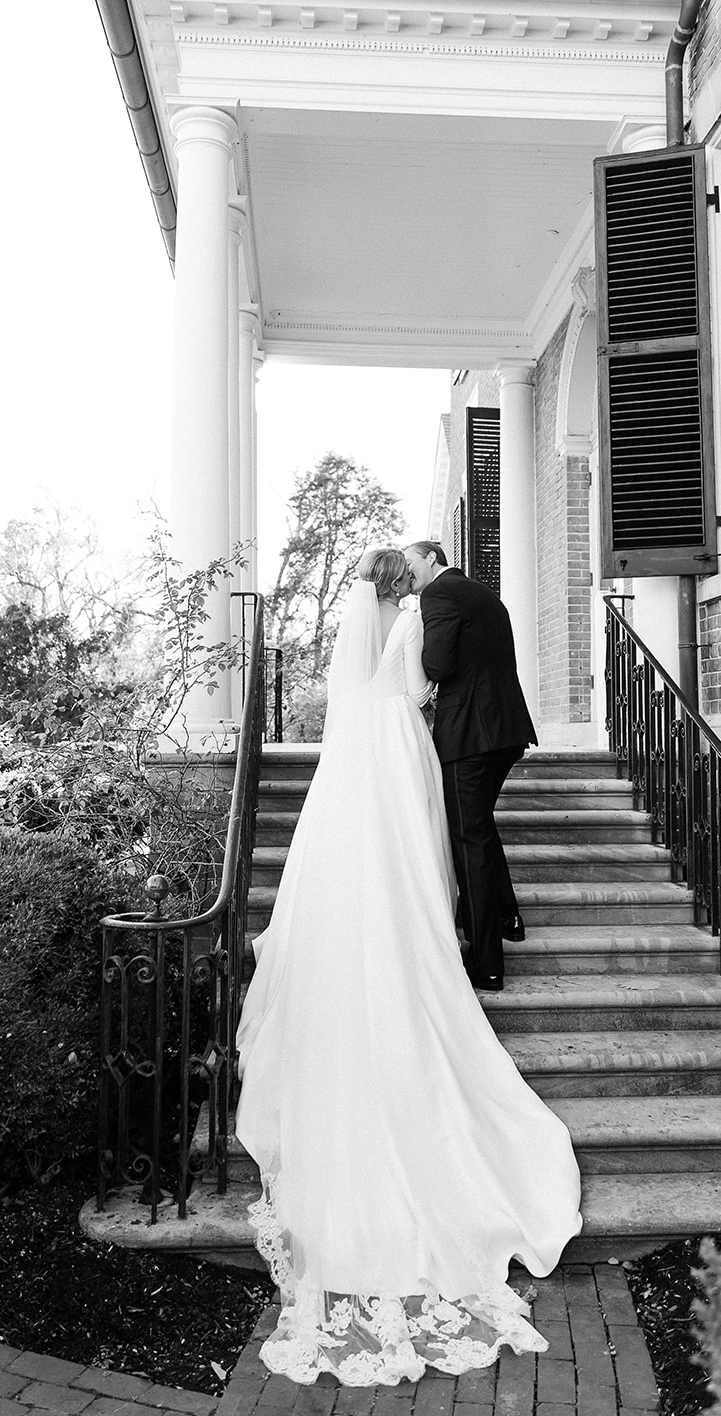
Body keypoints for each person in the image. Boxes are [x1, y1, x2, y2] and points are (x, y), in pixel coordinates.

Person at [235, 547, 582, 1387]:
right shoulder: (415, 617)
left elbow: (401, 684)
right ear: (403, 581)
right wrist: (421, 697)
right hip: (400, 744)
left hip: (364, 748)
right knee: (422, 845)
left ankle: (460, 922)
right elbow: (421, 684)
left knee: (377, 849)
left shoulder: (375, 632)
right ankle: (456, 926)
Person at [404, 542, 536, 992]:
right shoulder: (483, 593)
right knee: (478, 825)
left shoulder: (438, 596)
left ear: (432, 559)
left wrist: (411, 644)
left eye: (411, 562)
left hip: (470, 735)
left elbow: (437, 665)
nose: (407, 571)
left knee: (468, 839)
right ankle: (508, 917)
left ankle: (487, 963)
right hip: (506, 729)